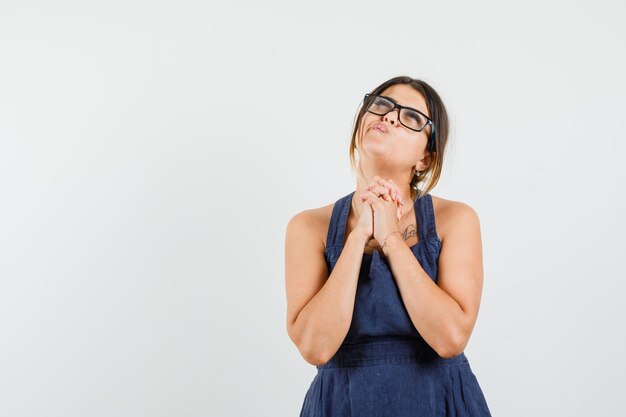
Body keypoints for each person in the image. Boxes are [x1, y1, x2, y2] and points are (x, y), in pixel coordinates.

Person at [284, 75, 492, 416]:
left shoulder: (456, 219)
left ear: (425, 158)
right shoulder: (308, 227)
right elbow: (315, 347)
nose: (390, 116)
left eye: (411, 117)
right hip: (342, 404)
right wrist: (357, 237)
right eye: (381, 105)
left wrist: (391, 239)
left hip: (438, 402)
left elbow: (450, 338)